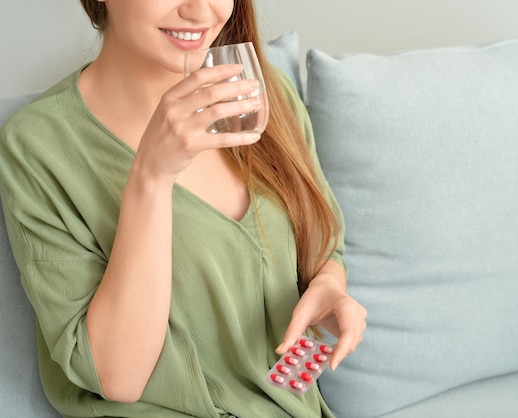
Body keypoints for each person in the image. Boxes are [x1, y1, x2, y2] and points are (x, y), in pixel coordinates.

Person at [0, 0, 367, 417]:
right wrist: (152, 176)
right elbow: (118, 378)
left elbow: (324, 251)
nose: (199, 11)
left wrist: (329, 293)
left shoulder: (263, 93)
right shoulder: (38, 144)